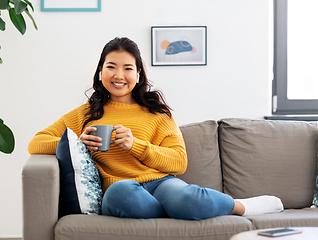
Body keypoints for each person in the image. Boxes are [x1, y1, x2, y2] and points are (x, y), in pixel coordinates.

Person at [28, 37, 283, 220]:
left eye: (128, 68)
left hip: (161, 184)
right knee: (119, 193)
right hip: (121, 188)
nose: (119, 75)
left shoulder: (157, 112)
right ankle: (176, 215)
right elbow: (36, 142)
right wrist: (79, 141)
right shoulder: (86, 113)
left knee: (187, 198)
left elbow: (179, 162)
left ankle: (241, 207)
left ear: (138, 73)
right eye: (111, 67)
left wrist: (136, 145)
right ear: (100, 71)